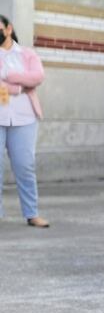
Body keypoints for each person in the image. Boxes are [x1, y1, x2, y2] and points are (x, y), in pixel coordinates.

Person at [0, 15, 49, 228]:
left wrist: (8, 75)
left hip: (25, 117)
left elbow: (37, 76)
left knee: (25, 166)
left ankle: (32, 213)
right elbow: (27, 81)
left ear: (8, 29)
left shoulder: (28, 54)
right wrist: (19, 87)